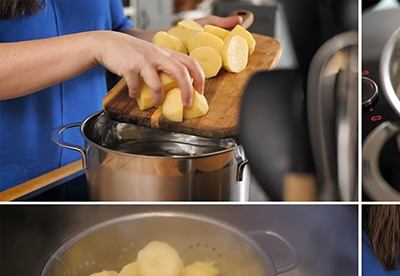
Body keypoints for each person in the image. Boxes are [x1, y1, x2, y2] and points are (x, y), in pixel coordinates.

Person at [0, 0, 243, 190]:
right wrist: (96, 44)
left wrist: (185, 37)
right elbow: (103, 42)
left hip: (95, 162)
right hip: (14, 183)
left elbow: (118, 34)